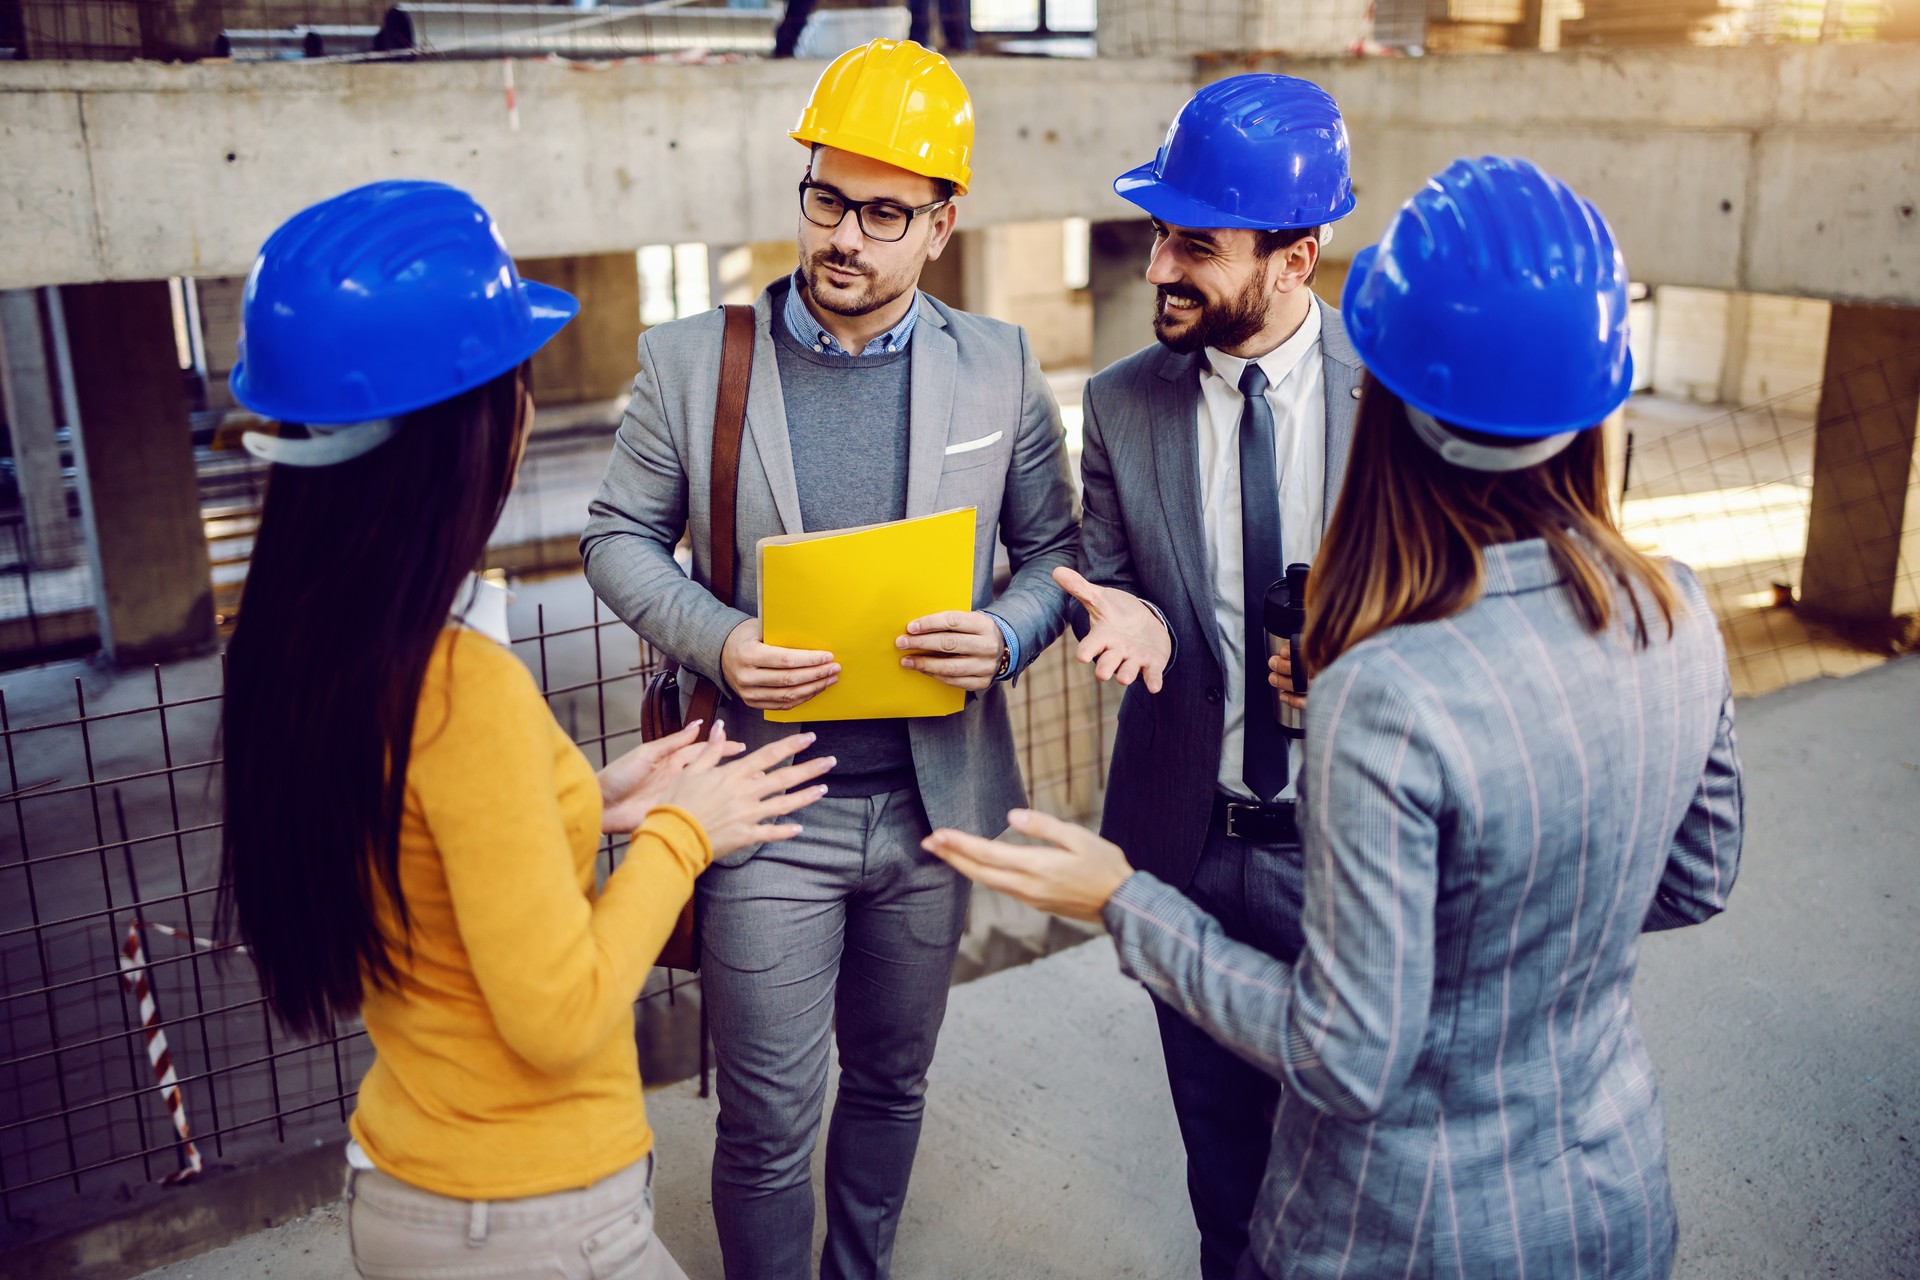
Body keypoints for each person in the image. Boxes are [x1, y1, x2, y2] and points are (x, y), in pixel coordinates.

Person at [926, 156, 1744, 1279]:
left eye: (1196, 240)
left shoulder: (1391, 693)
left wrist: (1117, 900)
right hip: (1612, 1200)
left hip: (1403, 1230)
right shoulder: (1682, 609)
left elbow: (1350, 1050)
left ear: (1391, 399)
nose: (1162, 262)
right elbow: (1693, 878)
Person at [217, 180, 833, 1280]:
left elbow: (424, 844)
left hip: (409, 1178)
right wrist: (681, 832)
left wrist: (588, 798)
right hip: (533, 1220)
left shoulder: (310, 652)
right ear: (467, 430)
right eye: (517, 381)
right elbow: (559, 1012)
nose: (529, 409)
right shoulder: (463, 690)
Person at [581, 39, 1076, 1280]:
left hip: (932, 811)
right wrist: (723, 639)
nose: (844, 235)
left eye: (883, 212)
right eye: (825, 197)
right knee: (763, 1123)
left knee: (894, 1083)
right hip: (764, 812)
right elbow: (614, 538)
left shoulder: (1000, 366)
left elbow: (1054, 553)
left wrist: (1006, 632)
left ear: (942, 225)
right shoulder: (694, 361)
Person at [1052, 73, 1360, 1279]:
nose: (1160, 269)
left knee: (1349, 1162)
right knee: (1221, 1173)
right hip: (1188, 844)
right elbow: (1107, 580)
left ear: (1298, 258)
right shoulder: (1120, 404)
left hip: (1348, 843)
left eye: (1197, 243)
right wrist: (1120, 618)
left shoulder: (1389, 399)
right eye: (1157, 235)